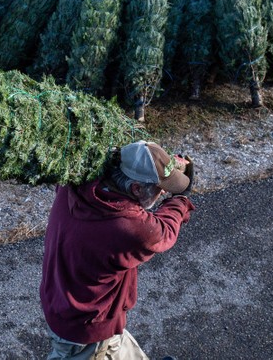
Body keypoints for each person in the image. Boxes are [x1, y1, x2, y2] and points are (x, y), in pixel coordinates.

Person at [40, 140, 196, 360]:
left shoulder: (75, 185)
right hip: (86, 329)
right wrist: (181, 199)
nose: (162, 194)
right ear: (136, 188)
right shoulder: (127, 226)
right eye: (159, 189)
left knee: (119, 349)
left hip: (62, 299)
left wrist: (167, 166)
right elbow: (164, 232)